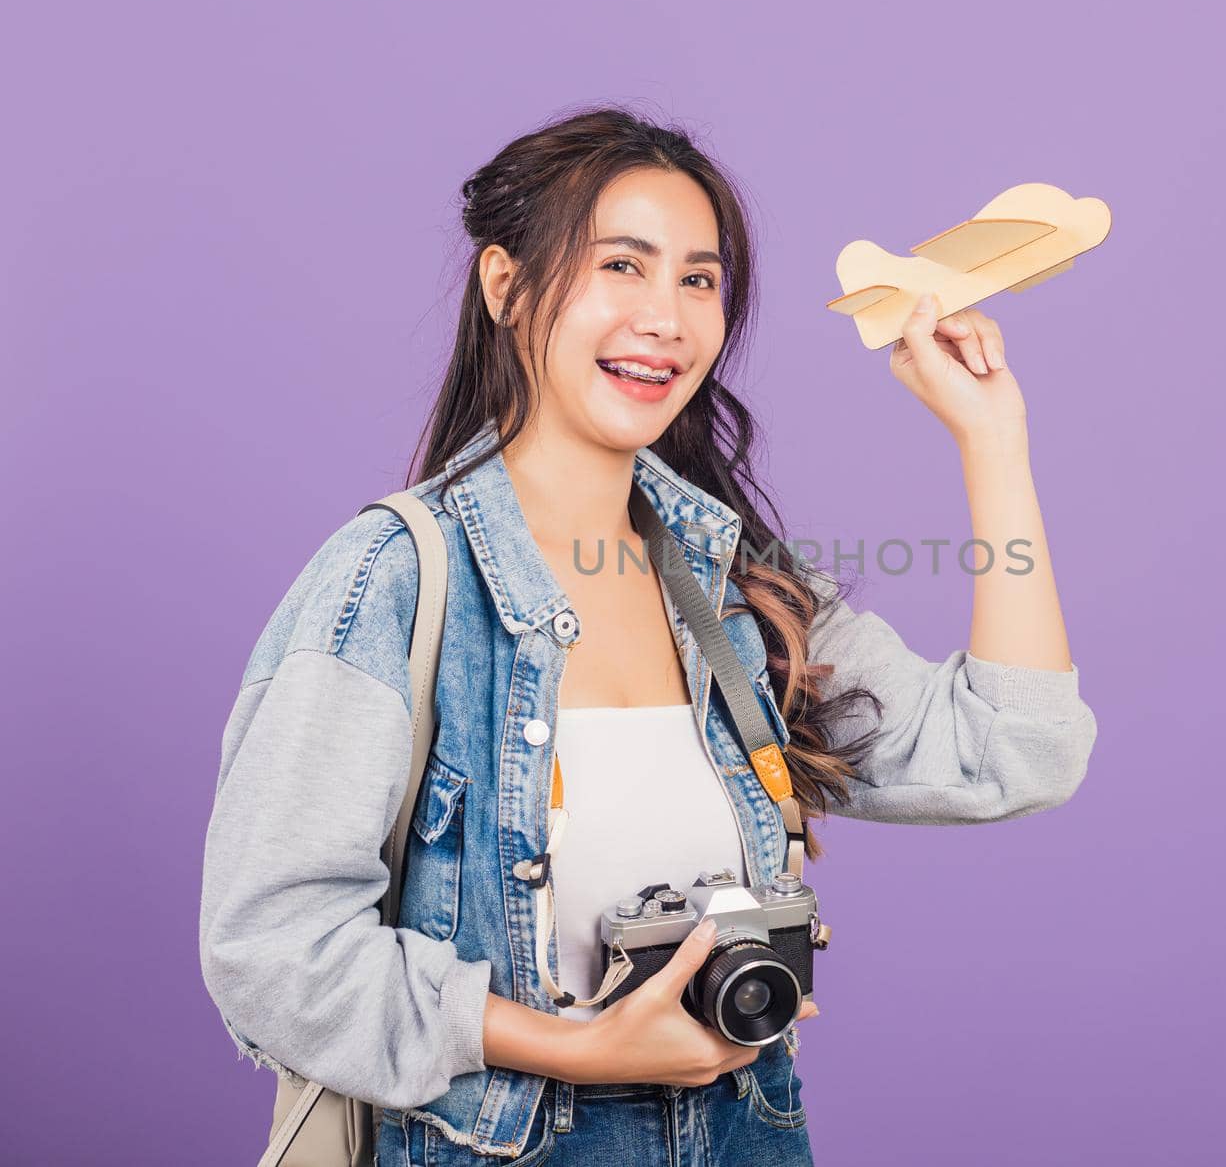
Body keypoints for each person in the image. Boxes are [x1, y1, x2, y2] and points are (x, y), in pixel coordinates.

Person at [199, 105, 1099, 1167]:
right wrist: (564, 1046)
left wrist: (993, 442)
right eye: (620, 265)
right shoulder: (395, 583)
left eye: (699, 280)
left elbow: (1015, 750)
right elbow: (273, 951)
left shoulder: (740, 595)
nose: (665, 318)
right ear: (506, 285)